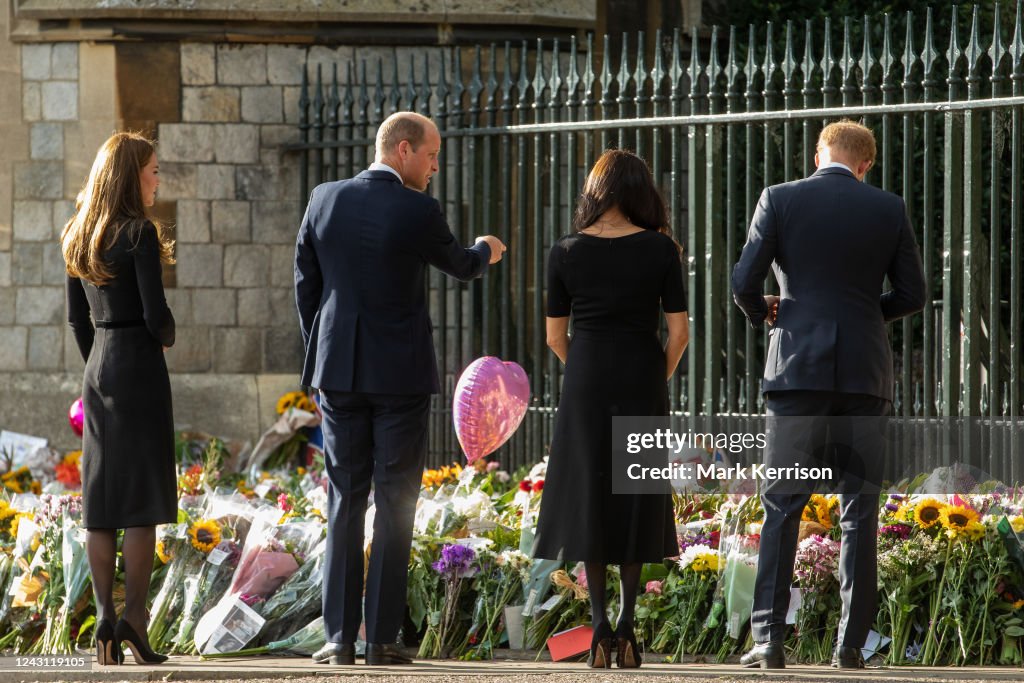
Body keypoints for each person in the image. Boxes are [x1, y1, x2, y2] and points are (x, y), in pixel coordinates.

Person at [296, 111, 506, 666]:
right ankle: (381, 638)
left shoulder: (323, 198)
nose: (436, 167)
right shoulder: (418, 208)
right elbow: (461, 264)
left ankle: (339, 637)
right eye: (432, 155)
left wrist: (323, 351)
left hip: (338, 371)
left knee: (343, 499)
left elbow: (306, 283)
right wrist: (488, 248)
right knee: (394, 502)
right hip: (399, 377)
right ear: (404, 150)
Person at [731, 120, 926, 669]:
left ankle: (769, 640)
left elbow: (744, 281)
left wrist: (769, 312)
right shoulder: (887, 208)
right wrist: (865, 315)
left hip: (797, 371)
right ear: (866, 164)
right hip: (865, 375)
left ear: (819, 154)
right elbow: (913, 293)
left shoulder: (780, 199)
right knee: (859, 510)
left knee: (782, 505)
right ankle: (850, 644)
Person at [532, 149, 689, 669]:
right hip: (641, 376)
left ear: (594, 191)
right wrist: (652, 377)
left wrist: (586, 371)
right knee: (635, 496)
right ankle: (627, 622)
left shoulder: (565, 251)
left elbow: (556, 336)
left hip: (587, 380)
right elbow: (679, 332)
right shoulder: (662, 250)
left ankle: (598, 626)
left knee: (591, 496)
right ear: (642, 192)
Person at [63, 132, 176, 666]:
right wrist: (168, 332)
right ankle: (135, 619)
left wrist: (96, 362)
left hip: (98, 365)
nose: (158, 178)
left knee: (102, 502)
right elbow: (157, 317)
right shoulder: (140, 234)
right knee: (144, 501)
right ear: (132, 175)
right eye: (153, 170)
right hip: (138, 365)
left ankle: (104, 619)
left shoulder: (78, 232)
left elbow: (75, 318)